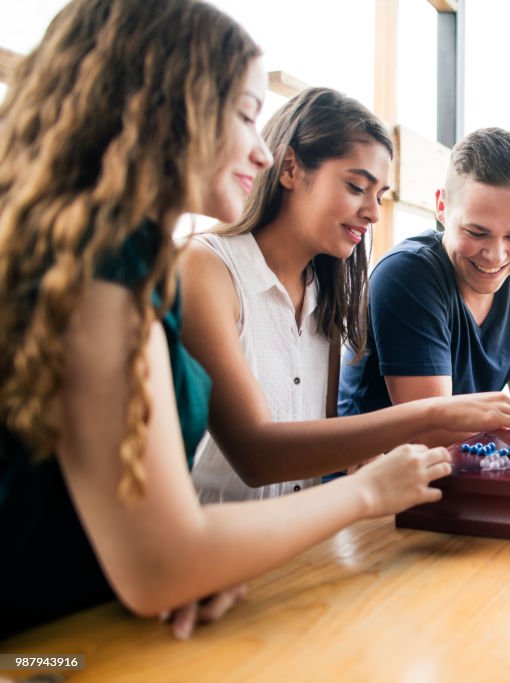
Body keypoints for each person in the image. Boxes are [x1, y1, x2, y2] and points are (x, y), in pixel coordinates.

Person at [0, 0, 451, 641]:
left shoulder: (116, 266)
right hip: (43, 655)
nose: (261, 153)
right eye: (245, 115)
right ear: (161, 109)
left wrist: (200, 565)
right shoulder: (106, 284)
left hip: (108, 624)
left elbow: (151, 544)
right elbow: (163, 557)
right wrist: (371, 491)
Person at [179, 88, 510, 502]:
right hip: (216, 547)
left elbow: (324, 445)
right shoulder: (206, 267)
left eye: (380, 195)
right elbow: (257, 456)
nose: (374, 212)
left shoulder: (326, 292)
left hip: (303, 540)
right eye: (356, 187)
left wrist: (368, 461)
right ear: (290, 168)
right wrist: (434, 413)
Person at [338, 127, 510, 439]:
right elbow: (432, 434)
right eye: (477, 232)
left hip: (464, 474)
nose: (496, 256)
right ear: (441, 207)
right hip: (375, 478)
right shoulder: (406, 274)